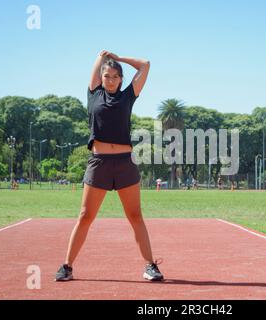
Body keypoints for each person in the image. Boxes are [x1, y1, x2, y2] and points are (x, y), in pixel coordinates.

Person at [55, 50, 163, 282]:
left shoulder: (128, 96)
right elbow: (97, 64)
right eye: (107, 76)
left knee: (135, 215)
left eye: (115, 76)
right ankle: (67, 266)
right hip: (99, 163)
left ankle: (150, 266)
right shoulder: (93, 94)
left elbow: (145, 65)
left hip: (124, 163)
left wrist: (119, 58)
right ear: (100, 78)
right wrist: (102, 56)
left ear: (121, 79)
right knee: (85, 215)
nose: (111, 80)